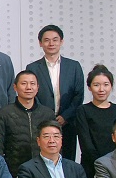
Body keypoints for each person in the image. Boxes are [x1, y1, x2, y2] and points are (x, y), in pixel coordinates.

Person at [25, 26, 84, 160]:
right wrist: (46, 115)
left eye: (55, 40)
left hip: (68, 123)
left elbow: (78, 95)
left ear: (61, 42)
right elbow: (32, 94)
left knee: (68, 160)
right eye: (46, 40)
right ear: (40, 43)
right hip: (42, 122)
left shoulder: (74, 66)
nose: (51, 43)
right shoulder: (33, 68)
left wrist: (65, 116)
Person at [75, 64, 116, 178]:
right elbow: (86, 145)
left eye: (106, 84)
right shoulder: (83, 110)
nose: (101, 89)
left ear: (111, 86)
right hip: (92, 166)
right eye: (96, 85)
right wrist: (103, 165)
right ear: (89, 87)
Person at [0, 70, 57, 178]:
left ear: (37, 87)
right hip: (13, 172)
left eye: (32, 84)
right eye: (24, 83)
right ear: (15, 87)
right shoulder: (3, 114)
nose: (28, 87)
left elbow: (56, 144)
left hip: (44, 171)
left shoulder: (48, 114)